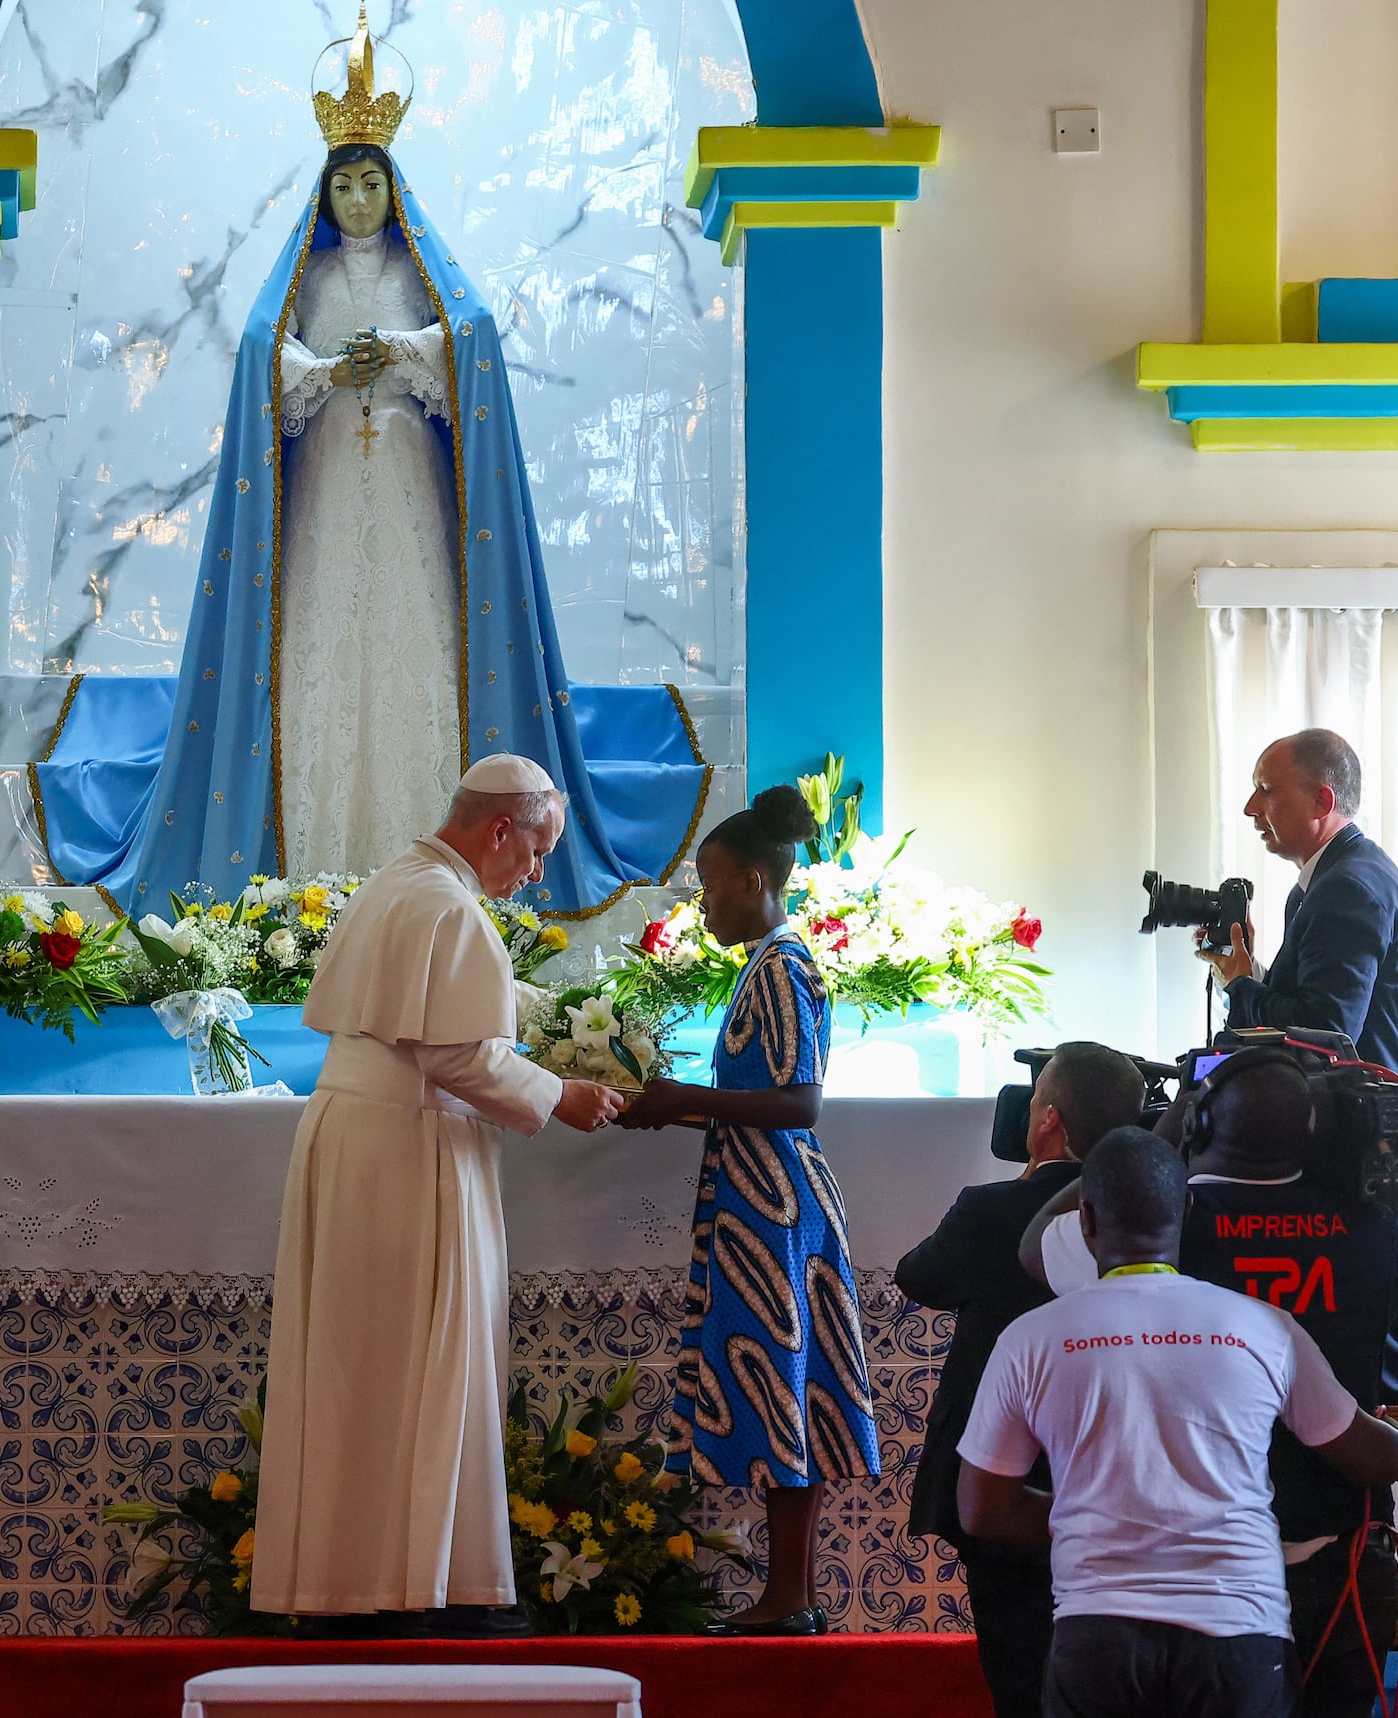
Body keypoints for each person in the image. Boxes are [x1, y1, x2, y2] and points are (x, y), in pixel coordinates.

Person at [115, 9, 683, 911]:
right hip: (328, 495)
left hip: (413, 487)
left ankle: (431, 883)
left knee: (415, 652)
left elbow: (474, 345)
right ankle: (317, 881)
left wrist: (417, 351)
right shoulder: (307, 281)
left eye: (372, 184)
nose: (358, 201)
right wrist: (332, 367)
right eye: (344, 187)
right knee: (324, 659)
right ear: (326, 195)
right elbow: (270, 359)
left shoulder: (426, 278)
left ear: (393, 189)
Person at [249, 754, 625, 1636]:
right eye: (535, 852)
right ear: (500, 828)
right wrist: (560, 1094)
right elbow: (457, 1056)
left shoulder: (401, 882)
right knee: (417, 1360)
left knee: (361, 1368)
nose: (535, 874)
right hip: (406, 1147)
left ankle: (352, 1578)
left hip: (368, 1137)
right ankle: (415, 1588)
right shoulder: (445, 903)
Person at [1196, 728, 1398, 1608]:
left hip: (1392, 1166)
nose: (1252, 809)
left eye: (1267, 790)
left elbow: (1324, 1030)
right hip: (1380, 1162)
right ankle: (1385, 1567)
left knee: (1388, 1371)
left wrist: (1248, 986)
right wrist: (1246, 976)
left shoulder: (1350, 886)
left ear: (1322, 800)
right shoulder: (1329, 883)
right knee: (1367, 1367)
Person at [960, 1130, 1398, 1718]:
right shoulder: (1262, 1327)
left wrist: (1107, 1515)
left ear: (1087, 1221)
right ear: (1188, 1210)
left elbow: (982, 1509)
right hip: (1239, 1635)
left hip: (1098, 1633)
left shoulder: (1030, 1339)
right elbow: (1369, 1459)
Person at [616, 787, 880, 1635]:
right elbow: (757, 1094)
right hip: (756, 1192)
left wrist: (681, 1096)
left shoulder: (784, 967)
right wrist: (663, 1103)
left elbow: (800, 1103)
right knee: (782, 1395)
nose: (705, 903)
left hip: (777, 1203)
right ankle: (788, 1596)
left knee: (785, 1393)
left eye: (712, 886)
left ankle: (789, 1598)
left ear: (756, 878)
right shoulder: (768, 964)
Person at [892, 1041, 1151, 1718]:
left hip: (1003, 1483)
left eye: (1035, 1104)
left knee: (1019, 1673)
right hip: (1116, 1475)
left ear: (1048, 1122)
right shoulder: (1150, 1219)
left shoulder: (988, 1212)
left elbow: (919, 1276)